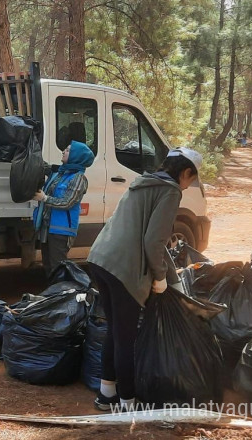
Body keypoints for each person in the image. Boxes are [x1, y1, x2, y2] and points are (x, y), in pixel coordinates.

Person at [86, 147, 202, 412]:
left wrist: (169, 276)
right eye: (191, 180)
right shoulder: (170, 191)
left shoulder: (143, 183)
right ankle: (127, 403)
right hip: (123, 267)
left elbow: (154, 241)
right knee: (126, 337)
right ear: (185, 173)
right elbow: (154, 241)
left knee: (115, 331)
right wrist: (160, 278)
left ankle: (106, 395)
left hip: (100, 259)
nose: (188, 186)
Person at [32, 140, 95, 277]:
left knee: (58, 268)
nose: (63, 151)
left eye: (67, 150)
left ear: (75, 156)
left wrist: (45, 198)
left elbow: (67, 202)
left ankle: (63, 293)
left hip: (61, 230)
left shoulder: (79, 178)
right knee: (48, 266)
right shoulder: (59, 173)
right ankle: (54, 295)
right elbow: (42, 166)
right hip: (47, 227)